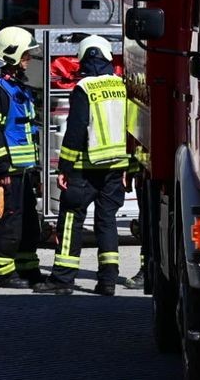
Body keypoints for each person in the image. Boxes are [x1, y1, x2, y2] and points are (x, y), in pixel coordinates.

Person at [33, 35, 130, 296]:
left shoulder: (84, 88)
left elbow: (75, 131)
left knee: (71, 219)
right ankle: (108, 281)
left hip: (85, 169)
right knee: (107, 221)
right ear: (109, 57)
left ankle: (63, 279)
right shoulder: (122, 86)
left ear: (84, 58)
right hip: (116, 167)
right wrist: (128, 168)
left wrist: (64, 168)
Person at [0, 26, 43, 288]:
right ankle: (1, 273)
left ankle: (27, 268)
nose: (28, 59)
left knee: (27, 223)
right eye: (25, 54)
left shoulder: (15, 86)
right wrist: (1, 169)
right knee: (6, 223)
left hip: (21, 169)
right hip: (4, 172)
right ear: (11, 54)